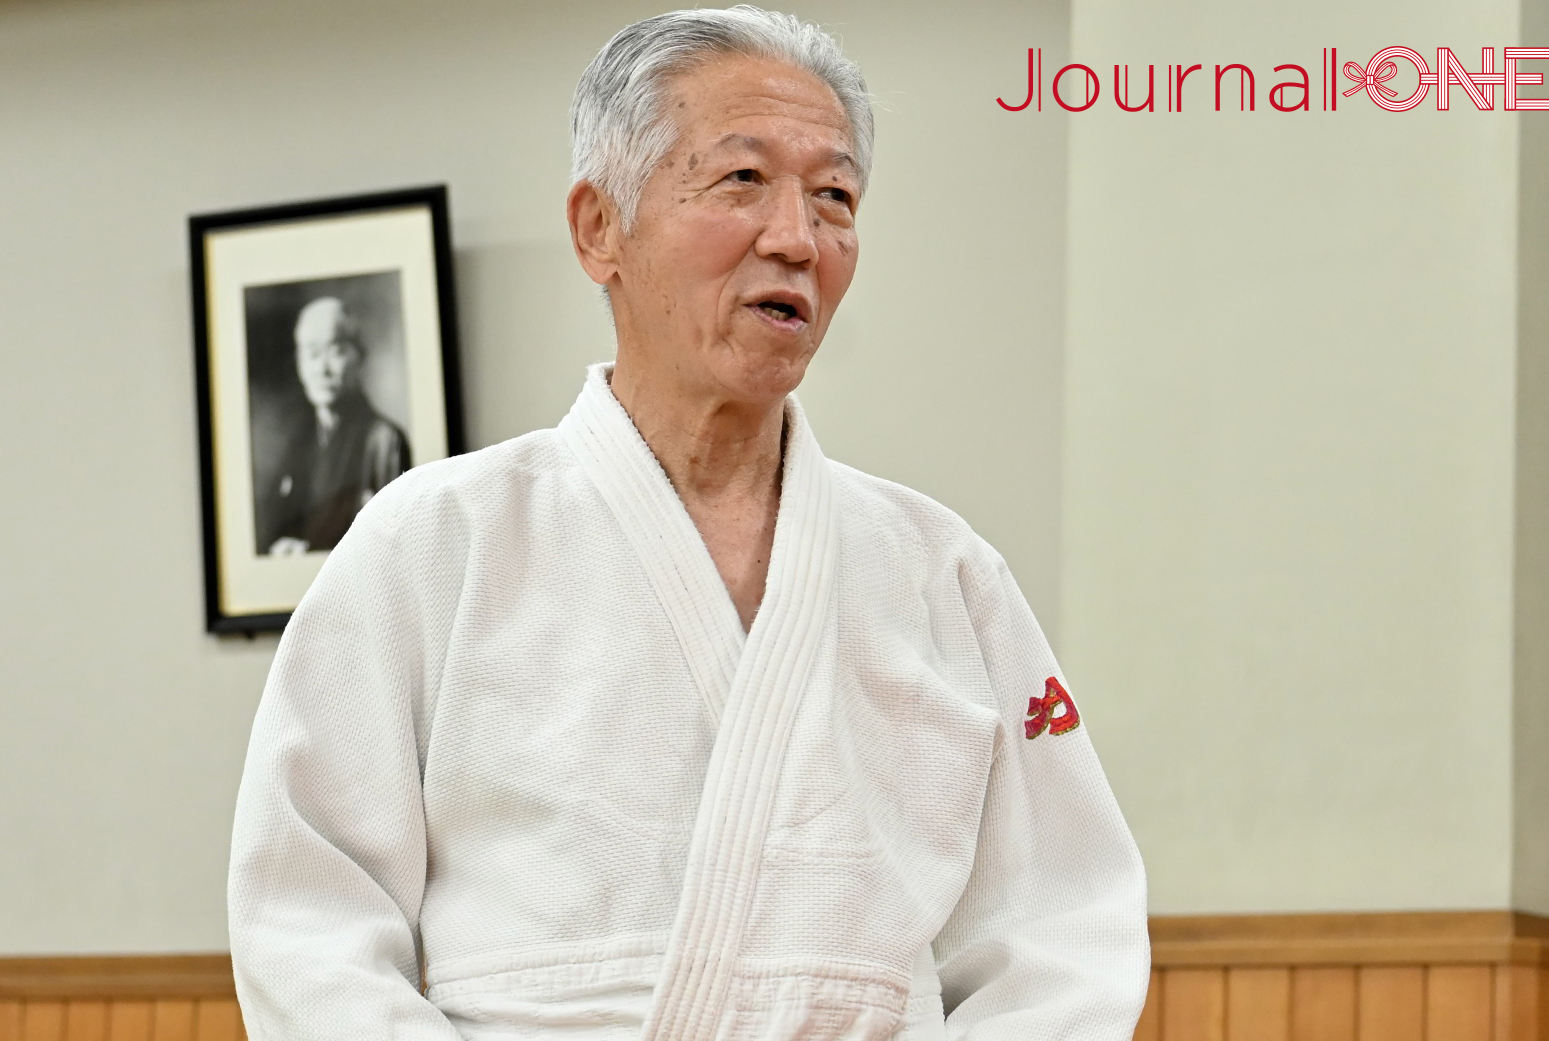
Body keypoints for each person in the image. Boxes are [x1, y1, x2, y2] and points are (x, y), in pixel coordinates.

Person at [227, 8, 1149, 1041]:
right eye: (742, 181)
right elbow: (308, 923)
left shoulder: (944, 575)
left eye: (834, 195)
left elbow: (1064, 936)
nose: (797, 239)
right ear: (598, 228)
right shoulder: (434, 543)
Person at [260, 296, 410, 555]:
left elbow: (394, 547)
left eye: (335, 352)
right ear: (299, 364)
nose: (322, 369)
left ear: (360, 358)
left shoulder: (384, 440)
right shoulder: (297, 442)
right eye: (312, 354)